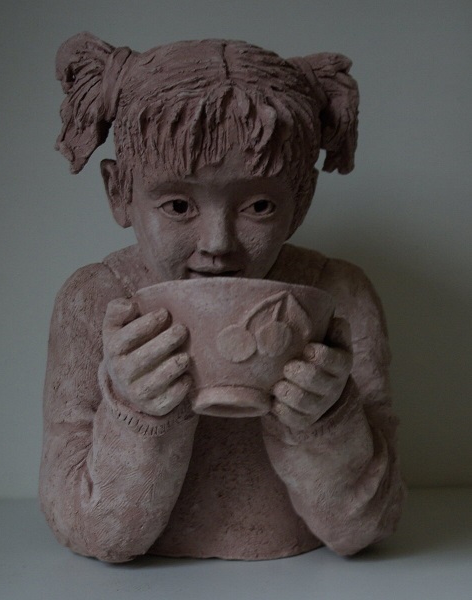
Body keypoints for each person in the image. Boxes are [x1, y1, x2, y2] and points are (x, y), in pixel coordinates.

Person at [39, 32, 405, 563]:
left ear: (302, 198)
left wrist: (326, 422)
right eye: (178, 206)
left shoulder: (339, 295)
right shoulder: (93, 300)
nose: (217, 243)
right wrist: (135, 413)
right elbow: (92, 532)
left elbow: (367, 528)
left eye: (259, 206)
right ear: (119, 192)